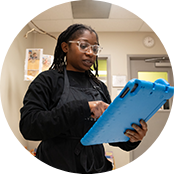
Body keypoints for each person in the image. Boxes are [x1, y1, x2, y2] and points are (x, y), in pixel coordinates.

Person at [19, 24, 148, 174]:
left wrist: (132, 138)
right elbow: (29, 126)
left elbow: (111, 133)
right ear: (65, 47)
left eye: (94, 49)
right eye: (83, 46)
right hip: (55, 166)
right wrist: (84, 108)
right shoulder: (48, 80)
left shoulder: (99, 86)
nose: (90, 53)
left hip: (95, 167)